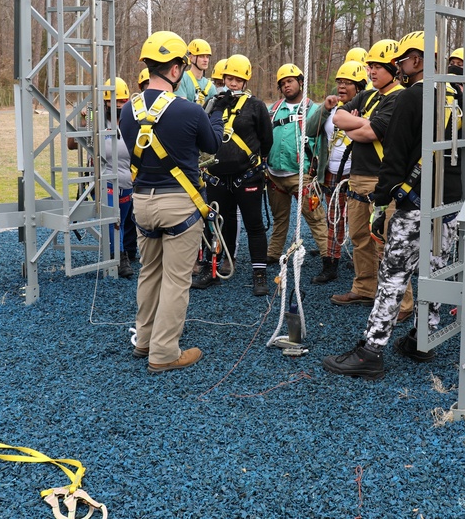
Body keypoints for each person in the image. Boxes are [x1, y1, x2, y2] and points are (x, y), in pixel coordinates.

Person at [323, 31, 462, 378]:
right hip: (448, 203)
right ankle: (422, 339)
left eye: (401, 60)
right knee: (434, 270)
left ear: (416, 61)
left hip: (413, 203)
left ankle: (371, 351)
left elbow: (395, 152)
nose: (399, 67)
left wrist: (383, 199)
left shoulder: (411, 98)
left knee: (393, 275)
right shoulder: (456, 95)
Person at [118, 31, 223, 373]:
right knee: (176, 280)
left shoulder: (127, 111)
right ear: (176, 69)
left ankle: (144, 340)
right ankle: (164, 353)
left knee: (149, 273)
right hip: (179, 204)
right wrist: (216, 121)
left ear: (148, 66)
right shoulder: (190, 111)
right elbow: (212, 146)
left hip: (142, 204)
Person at [328, 39, 413, 320]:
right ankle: (365, 287)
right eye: (370, 66)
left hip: (383, 179)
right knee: (359, 237)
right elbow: (339, 117)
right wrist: (361, 122)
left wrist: (361, 124)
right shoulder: (367, 97)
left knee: (388, 242)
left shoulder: (400, 98)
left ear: (393, 68)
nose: (372, 72)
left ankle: (401, 303)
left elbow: (371, 134)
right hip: (357, 179)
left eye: (378, 67)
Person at [198, 54, 274, 296]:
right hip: (217, 175)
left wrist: (255, 161)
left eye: (238, 80)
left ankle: (259, 273)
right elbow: (202, 133)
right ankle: (214, 268)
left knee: (254, 224)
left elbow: (266, 139)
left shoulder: (256, 106)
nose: (232, 83)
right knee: (219, 223)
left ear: (245, 81)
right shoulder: (213, 104)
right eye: (229, 78)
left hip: (247, 175)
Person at [305, 60, 368, 284]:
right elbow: (310, 130)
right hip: (332, 172)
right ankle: (330, 265)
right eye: (339, 82)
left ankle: (364, 264)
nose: (341, 87)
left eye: (347, 83)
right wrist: (325, 107)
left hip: (357, 172)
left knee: (360, 221)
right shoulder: (332, 106)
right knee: (334, 219)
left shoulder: (368, 104)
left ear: (358, 87)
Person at [265, 63, 329, 273]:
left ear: (301, 82)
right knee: (279, 218)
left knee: (315, 218)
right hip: (275, 175)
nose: (286, 86)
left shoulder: (315, 109)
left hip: (302, 175)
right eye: (283, 83)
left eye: (290, 81)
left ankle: (328, 258)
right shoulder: (273, 110)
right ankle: (273, 254)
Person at [68, 78, 135, 278]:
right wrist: (82, 120)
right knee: (112, 220)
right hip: (104, 179)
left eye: (122, 102)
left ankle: (125, 252)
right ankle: (119, 258)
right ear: (104, 103)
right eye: (113, 103)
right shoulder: (95, 121)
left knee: (122, 221)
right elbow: (73, 144)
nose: (118, 107)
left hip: (128, 180)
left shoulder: (132, 122)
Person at [175, 38, 216, 106]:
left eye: (207, 57)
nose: (205, 60)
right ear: (191, 58)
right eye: (201, 56)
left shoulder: (210, 86)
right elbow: (181, 106)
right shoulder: (182, 78)